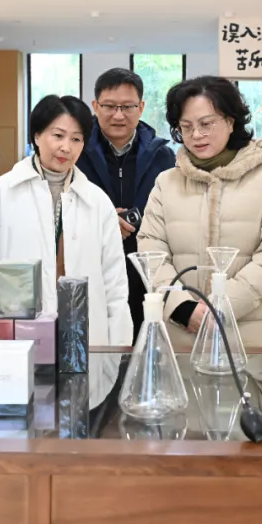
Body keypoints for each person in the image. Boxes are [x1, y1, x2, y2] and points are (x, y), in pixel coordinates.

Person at [137, 76, 262, 347]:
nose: (196, 135)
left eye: (206, 124)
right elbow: (151, 250)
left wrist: (222, 307)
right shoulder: (166, 183)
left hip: (253, 337)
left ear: (231, 122)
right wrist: (181, 307)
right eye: (186, 126)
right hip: (180, 338)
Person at [0, 95, 132, 347]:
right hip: (16, 339)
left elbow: (115, 285)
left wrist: (117, 349)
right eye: (58, 135)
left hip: (85, 339)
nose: (66, 147)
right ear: (36, 136)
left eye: (76, 139)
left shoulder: (98, 202)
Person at [75, 67, 176, 338]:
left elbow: (173, 212)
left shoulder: (163, 157)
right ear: (95, 106)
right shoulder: (76, 153)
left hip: (147, 273)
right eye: (109, 106)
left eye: (128, 106)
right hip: (91, 267)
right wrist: (107, 221)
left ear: (141, 107)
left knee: (145, 344)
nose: (118, 115)